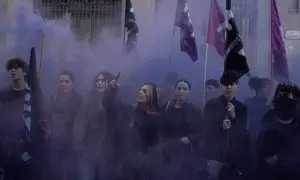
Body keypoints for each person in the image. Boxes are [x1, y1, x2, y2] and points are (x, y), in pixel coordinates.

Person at [0, 58, 45, 180]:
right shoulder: (3, 94)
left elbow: (41, 119)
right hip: (8, 148)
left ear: (24, 71)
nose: (13, 71)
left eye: (16, 68)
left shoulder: (33, 94)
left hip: (29, 148)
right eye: (11, 68)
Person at [202, 71, 250, 180]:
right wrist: (220, 127)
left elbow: (244, 135)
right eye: (225, 84)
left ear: (237, 86)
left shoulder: (242, 108)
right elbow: (204, 130)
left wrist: (234, 117)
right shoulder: (211, 105)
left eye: (232, 84)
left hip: (234, 159)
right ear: (221, 86)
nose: (228, 87)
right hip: (214, 157)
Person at [74, 71, 119, 180]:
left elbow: (117, 122)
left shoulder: (116, 102)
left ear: (109, 82)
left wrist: (112, 94)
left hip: (107, 154)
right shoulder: (87, 101)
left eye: (103, 81)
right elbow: (79, 126)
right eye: (97, 81)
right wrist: (81, 148)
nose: (99, 83)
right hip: (88, 153)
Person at [160, 79, 203, 180]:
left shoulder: (194, 110)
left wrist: (190, 138)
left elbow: (201, 131)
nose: (181, 91)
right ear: (174, 90)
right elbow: (160, 130)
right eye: (179, 88)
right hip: (168, 153)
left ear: (189, 91)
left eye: (185, 89)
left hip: (186, 155)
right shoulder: (165, 108)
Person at [257, 83, 300, 180]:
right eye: (282, 101)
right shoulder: (269, 118)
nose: (285, 105)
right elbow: (261, 143)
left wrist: (279, 155)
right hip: (271, 173)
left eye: (289, 102)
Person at [46, 71, 82, 180]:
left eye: (66, 81)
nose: (63, 84)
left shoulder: (78, 99)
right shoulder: (53, 98)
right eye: (61, 81)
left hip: (72, 143)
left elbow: (78, 119)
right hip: (55, 143)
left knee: (71, 173)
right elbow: (48, 117)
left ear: (72, 83)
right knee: (55, 172)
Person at [125, 83, 162, 180]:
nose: (140, 92)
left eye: (144, 91)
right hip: (133, 157)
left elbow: (157, 141)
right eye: (140, 90)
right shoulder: (134, 111)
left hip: (149, 160)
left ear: (151, 96)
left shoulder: (158, 117)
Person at [244, 77, 272, 144]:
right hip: (254, 137)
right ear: (259, 88)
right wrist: (269, 106)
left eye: (270, 87)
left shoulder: (272, 104)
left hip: (268, 138)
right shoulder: (249, 102)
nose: (269, 90)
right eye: (266, 87)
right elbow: (255, 114)